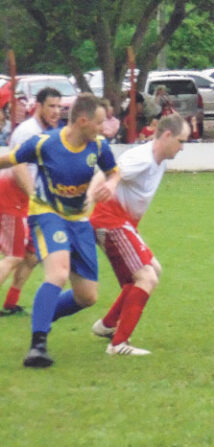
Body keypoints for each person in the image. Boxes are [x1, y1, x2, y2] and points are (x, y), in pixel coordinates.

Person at [0, 93, 120, 368]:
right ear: (82, 120)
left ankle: (43, 315)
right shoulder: (45, 143)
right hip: (46, 213)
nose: (104, 128)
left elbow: (114, 172)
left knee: (87, 296)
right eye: (99, 122)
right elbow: (11, 159)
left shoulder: (99, 147)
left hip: (78, 220)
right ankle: (37, 346)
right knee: (59, 272)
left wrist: (111, 185)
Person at [90, 113, 189, 355]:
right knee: (147, 278)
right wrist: (111, 184)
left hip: (123, 223)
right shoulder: (142, 158)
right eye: (181, 141)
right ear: (166, 136)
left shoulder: (159, 159)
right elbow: (112, 172)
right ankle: (118, 345)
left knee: (152, 270)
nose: (183, 147)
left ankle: (106, 325)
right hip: (110, 221)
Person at [0, 87, 62, 316]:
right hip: (12, 197)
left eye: (59, 107)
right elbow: (17, 165)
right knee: (15, 255)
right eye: (51, 106)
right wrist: (34, 197)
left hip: (25, 200)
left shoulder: (46, 131)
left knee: (32, 254)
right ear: (38, 106)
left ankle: (11, 302)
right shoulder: (29, 131)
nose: (56, 112)